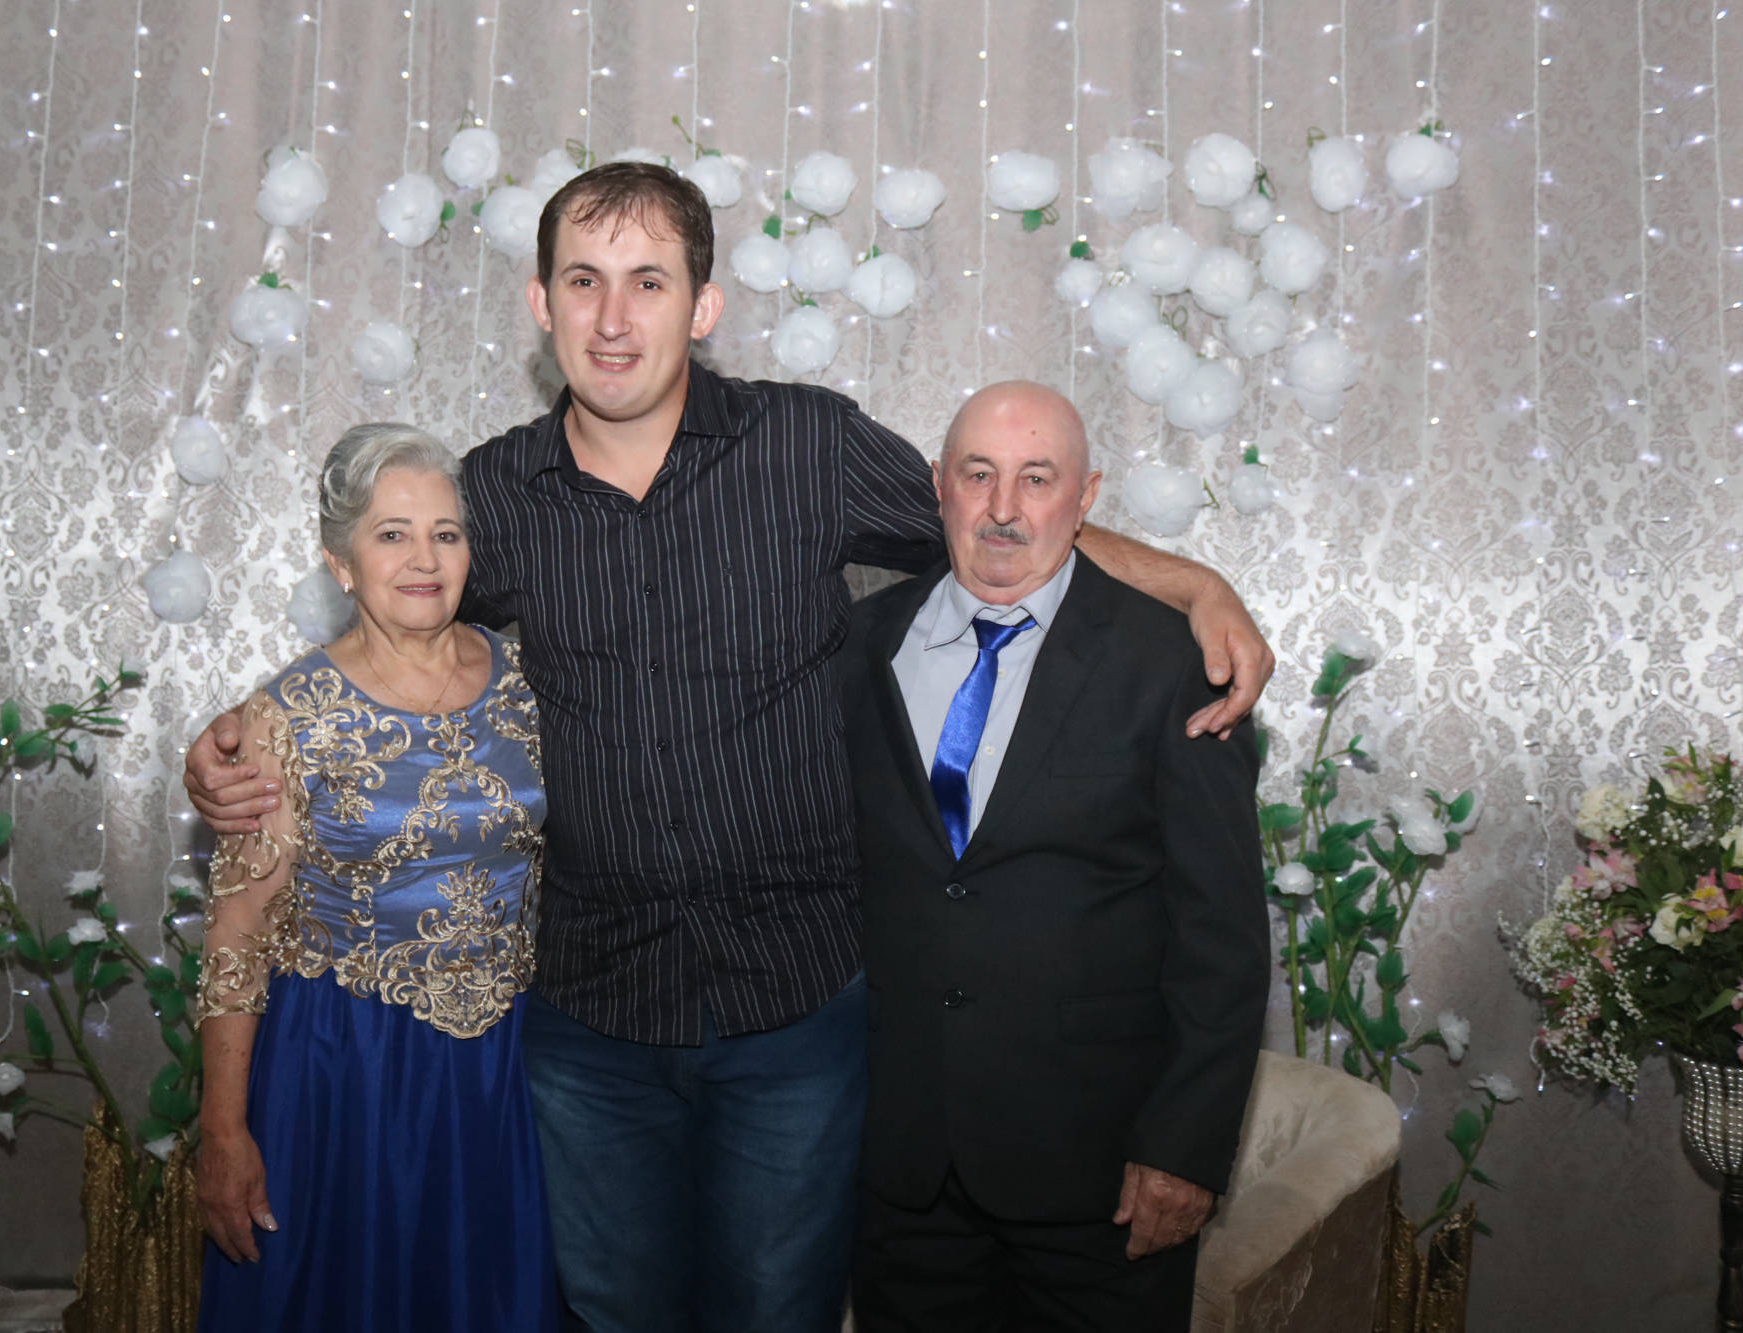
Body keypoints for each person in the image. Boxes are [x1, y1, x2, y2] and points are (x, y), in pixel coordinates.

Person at [186, 164, 1273, 1332]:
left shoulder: (806, 443)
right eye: (583, 282)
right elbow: (396, 638)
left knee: (773, 1314)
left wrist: (1191, 582)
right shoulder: (493, 493)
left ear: (702, 306)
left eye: (647, 282)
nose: (613, 318)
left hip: (793, 1013)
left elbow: (994, 521)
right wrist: (246, 735)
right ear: (539, 304)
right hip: (590, 1021)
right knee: (612, 1316)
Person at [840, 382, 1268, 1332]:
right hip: (902, 1169)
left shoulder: (1173, 665)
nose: (1003, 509)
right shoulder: (859, 647)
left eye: (1037, 479)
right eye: (978, 475)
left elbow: (1224, 937)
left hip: (1102, 1176)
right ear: (939, 487)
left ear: (1086, 498)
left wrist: (1185, 1148)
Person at [194, 424, 557, 1332]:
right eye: (392, 534)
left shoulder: (532, 682)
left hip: (507, 1067)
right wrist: (223, 1129)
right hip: (344, 1069)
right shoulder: (286, 715)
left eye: (445, 532)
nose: (424, 558)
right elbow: (237, 937)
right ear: (341, 563)